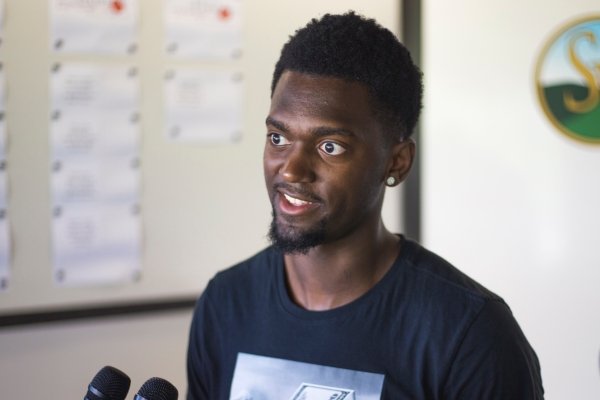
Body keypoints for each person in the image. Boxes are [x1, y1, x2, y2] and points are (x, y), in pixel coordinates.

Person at [187, 11, 544, 400]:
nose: (291, 170)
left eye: (330, 146)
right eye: (278, 138)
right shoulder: (226, 302)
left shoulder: (469, 333)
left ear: (397, 162)